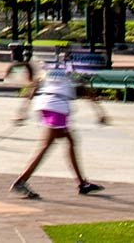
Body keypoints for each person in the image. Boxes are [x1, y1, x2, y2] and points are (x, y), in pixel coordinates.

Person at [10, 64, 109, 199]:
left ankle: (82, 183)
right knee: (46, 146)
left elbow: (34, 87)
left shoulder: (49, 71)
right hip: (57, 107)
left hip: (46, 105)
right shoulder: (70, 73)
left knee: (68, 141)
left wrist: (23, 111)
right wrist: (100, 113)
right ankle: (21, 181)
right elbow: (85, 91)